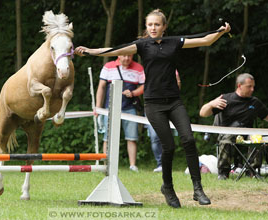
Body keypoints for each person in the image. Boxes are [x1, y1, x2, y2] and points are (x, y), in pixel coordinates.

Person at [75, 8, 231, 208]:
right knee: (169, 146)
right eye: (150, 25)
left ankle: (197, 188)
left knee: (189, 140)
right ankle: (168, 187)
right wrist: (89, 51)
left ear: (164, 27)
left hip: (174, 101)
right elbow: (113, 50)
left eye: (157, 24)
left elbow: (205, 41)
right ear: (146, 27)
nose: (153, 28)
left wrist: (221, 32)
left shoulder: (175, 42)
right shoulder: (142, 45)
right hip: (154, 104)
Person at [199, 73, 268, 180]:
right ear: (239, 86)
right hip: (228, 134)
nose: (252, 89)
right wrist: (211, 104)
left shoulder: (255, 102)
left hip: (247, 134)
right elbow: (203, 113)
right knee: (227, 138)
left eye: (253, 86)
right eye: (249, 86)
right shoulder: (226, 99)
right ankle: (223, 173)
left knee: (259, 138)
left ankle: (252, 172)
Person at [95, 55, 145, 172]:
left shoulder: (138, 68)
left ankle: (132, 165)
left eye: (129, 56)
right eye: (124, 56)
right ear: (119, 55)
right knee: (107, 138)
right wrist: (98, 107)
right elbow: (101, 87)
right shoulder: (108, 67)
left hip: (129, 109)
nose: (127, 58)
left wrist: (133, 93)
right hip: (110, 109)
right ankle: (106, 164)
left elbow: (145, 86)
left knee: (132, 138)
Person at [148, 70, 181, 173]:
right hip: (153, 106)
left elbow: (178, 84)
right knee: (154, 137)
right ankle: (160, 164)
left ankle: (166, 164)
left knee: (167, 139)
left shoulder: (172, 68)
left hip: (169, 106)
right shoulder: (150, 66)